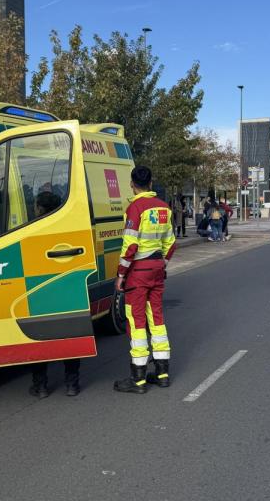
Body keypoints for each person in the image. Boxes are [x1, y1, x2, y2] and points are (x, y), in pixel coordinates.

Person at [114, 166, 176, 394]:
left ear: (132, 183)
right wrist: (162, 264)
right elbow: (171, 243)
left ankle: (138, 378)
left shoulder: (135, 208)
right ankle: (162, 374)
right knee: (157, 320)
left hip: (138, 272)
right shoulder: (164, 208)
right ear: (151, 183)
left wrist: (121, 274)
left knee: (136, 320)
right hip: (157, 269)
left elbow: (130, 245)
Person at [27, 191, 81, 398]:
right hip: (67, 288)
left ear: (40, 209)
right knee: (69, 335)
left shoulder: (30, 230)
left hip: (40, 290)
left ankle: (40, 386)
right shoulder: (70, 228)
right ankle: (72, 385)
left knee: (39, 338)